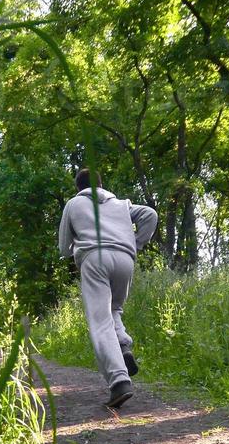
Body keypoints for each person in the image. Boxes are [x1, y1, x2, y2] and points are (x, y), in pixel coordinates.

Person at [58, 168, 158, 408]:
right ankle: (123, 346)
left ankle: (119, 381)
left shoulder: (73, 204)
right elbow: (150, 214)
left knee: (100, 321)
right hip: (125, 259)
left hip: (95, 258)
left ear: (78, 188)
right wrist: (135, 244)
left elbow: (63, 248)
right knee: (113, 309)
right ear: (101, 184)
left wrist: (78, 251)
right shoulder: (121, 204)